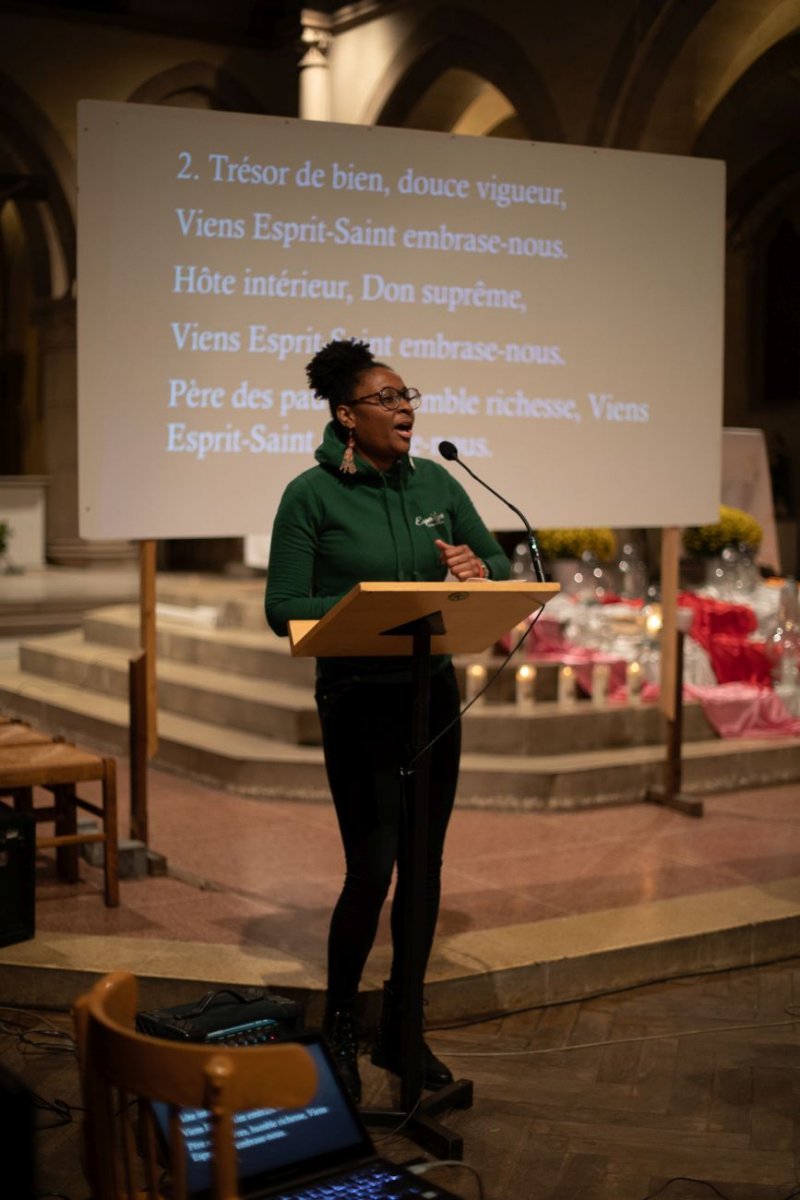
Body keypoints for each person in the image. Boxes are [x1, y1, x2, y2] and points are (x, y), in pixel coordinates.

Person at [265, 338, 510, 1102]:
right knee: (372, 868)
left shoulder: (435, 479)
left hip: (429, 695)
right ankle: (340, 1020)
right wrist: (376, 606)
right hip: (358, 699)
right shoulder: (309, 495)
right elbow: (284, 609)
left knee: (425, 866)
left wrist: (474, 572)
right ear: (346, 415)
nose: (406, 408)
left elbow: (499, 572)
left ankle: (405, 1026)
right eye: (387, 398)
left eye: (409, 396)